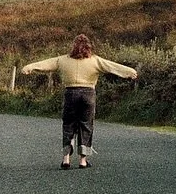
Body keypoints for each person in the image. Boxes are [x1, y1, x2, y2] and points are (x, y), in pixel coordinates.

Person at [22, 34, 138, 169]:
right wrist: (130, 72)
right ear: (88, 47)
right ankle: (83, 160)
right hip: (88, 94)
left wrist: (29, 67)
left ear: (73, 47)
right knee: (86, 125)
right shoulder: (95, 60)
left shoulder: (63, 60)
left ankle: (66, 159)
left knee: (69, 124)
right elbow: (112, 66)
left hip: (70, 93)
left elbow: (46, 64)